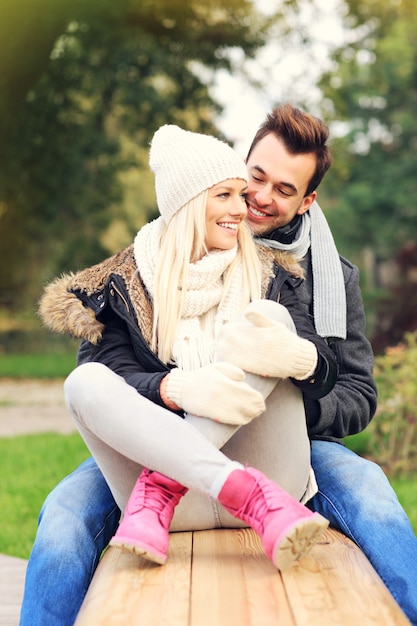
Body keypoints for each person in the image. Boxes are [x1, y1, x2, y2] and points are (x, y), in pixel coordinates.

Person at [19, 106, 417, 626]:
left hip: (288, 442)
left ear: (307, 200)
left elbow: (357, 396)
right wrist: (178, 389)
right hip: (155, 439)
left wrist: (283, 393)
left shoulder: (312, 277)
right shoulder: (135, 269)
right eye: (253, 178)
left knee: (373, 500)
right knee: (64, 518)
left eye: (283, 189)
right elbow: (103, 379)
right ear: (239, 164)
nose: (258, 198)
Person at [35, 124, 337, 570]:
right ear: (188, 203)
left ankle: (165, 486)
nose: (244, 207)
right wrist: (176, 389)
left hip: (268, 473)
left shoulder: (274, 274)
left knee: (267, 324)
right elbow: (113, 387)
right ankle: (227, 489)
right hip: (178, 508)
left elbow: (329, 374)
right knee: (84, 382)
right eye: (225, 195)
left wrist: (301, 358)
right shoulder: (123, 283)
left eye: (241, 193)